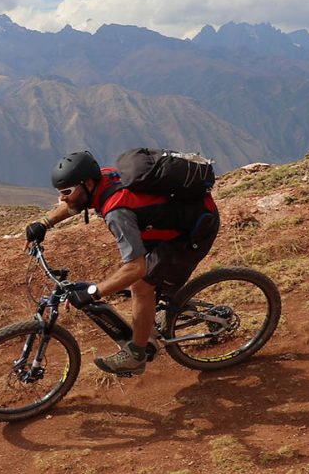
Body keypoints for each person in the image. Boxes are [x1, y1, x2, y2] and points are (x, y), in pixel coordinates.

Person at [25, 150, 220, 376]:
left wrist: (94, 292)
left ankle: (136, 355)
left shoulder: (117, 212)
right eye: (59, 193)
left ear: (87, 184)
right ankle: (168, 308)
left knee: (140, 285)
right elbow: (74, 203)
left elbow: (136, 268)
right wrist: (44, 223)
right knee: (142, 279)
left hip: (192, 232)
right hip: (164, 225)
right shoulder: (102, 179)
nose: (62, 198)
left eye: (66, 191)